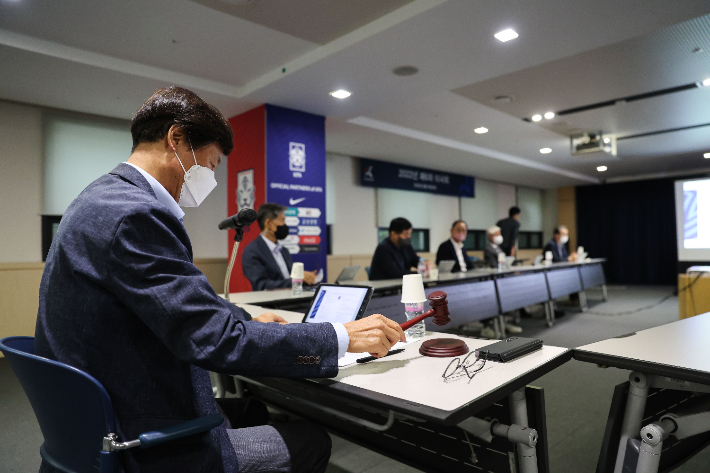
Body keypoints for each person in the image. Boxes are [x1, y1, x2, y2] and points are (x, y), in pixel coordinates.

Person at [34, 86, 405, 473]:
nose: (208, 179)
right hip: (137, 436)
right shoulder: (136, 216)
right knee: (312, 440)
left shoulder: (96, 199)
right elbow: (213, 339)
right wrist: (341, 336)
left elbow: (175, 302)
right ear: (175, 138)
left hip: (95, 418)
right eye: (209, 165)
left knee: (252, 408)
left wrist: (245, 318)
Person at [242, 203, 317, 290]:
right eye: (282, 220)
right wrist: (296, 280)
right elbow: (262, 285)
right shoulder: (252, 251)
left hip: (291, 299)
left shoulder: (283, 250)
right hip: (270, 302)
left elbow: (289, 278)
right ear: (269, 223)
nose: (285, 225)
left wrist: (304, 277)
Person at [480, 225, 522, 338]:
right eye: (497, 234)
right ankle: (487, 327)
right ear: (490, 236)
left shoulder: (499, 248)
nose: (500, 236)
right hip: (493, 282)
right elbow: (494, 266)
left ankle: (505, 323)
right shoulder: (488, 249)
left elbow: (502, 263)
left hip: (503, 280)